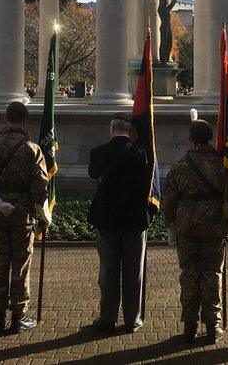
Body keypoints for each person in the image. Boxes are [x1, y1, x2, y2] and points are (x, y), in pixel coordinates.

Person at [161, 119, 228, 344]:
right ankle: (213, 325)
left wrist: (170, 226)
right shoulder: (222, 164)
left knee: (189, 273)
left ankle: (189, 325)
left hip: (187, 224)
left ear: (190, 138)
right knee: (212, 273)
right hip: (214, 224)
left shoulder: (179, 165)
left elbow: (169, 200)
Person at [0, 101, 49, 334]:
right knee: (21, 264)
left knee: (0, 263)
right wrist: (43, 213)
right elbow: (40, 185)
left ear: (6, 118)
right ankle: (18, 316)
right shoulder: (31, 149)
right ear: (25, 120)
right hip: (22, 214)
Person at [87, 113, 151, 334]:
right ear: (129, 130)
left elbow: (93, 174)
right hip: (134, 220)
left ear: (111, 130)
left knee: (108, 269)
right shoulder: (143, 153)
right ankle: (132, 319)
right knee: (134, 271)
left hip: (106, 219)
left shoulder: (98, 153)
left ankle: (107, 318)